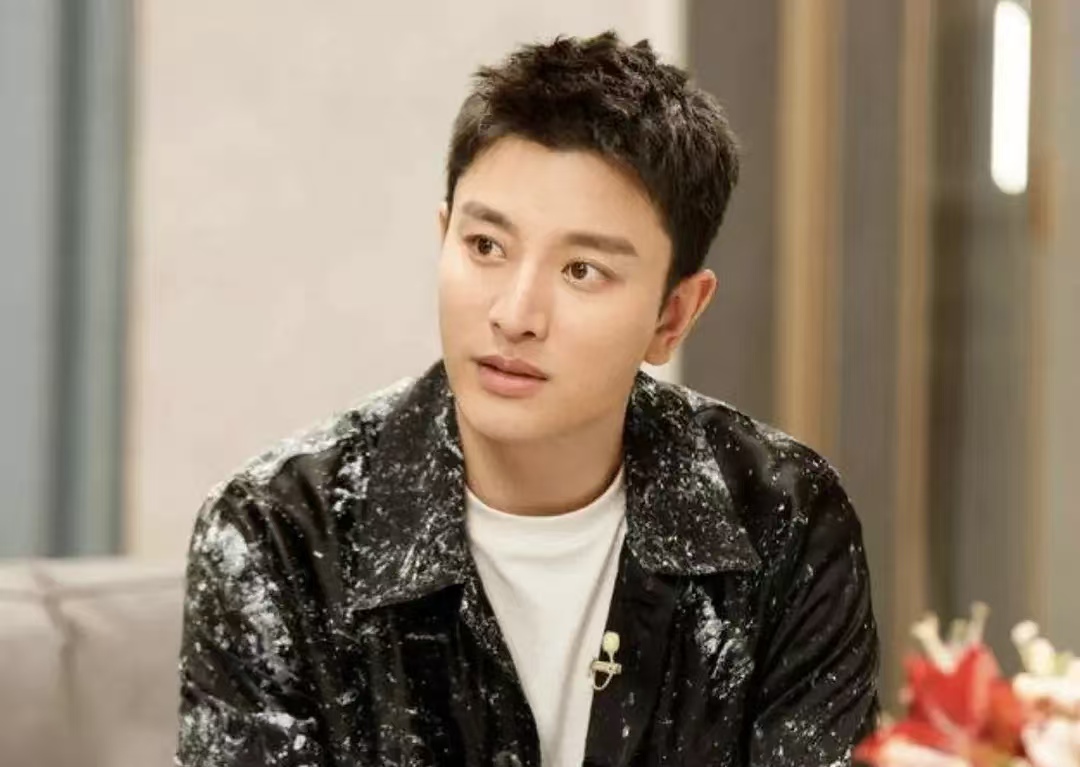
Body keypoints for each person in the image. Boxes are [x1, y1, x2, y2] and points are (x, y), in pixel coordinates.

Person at [175, 30, 879, 767]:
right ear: (444, 237)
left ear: (673, 316)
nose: (514, 315)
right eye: (485, 247)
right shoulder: (279, 532)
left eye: (582, 270)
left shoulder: (782, 522)